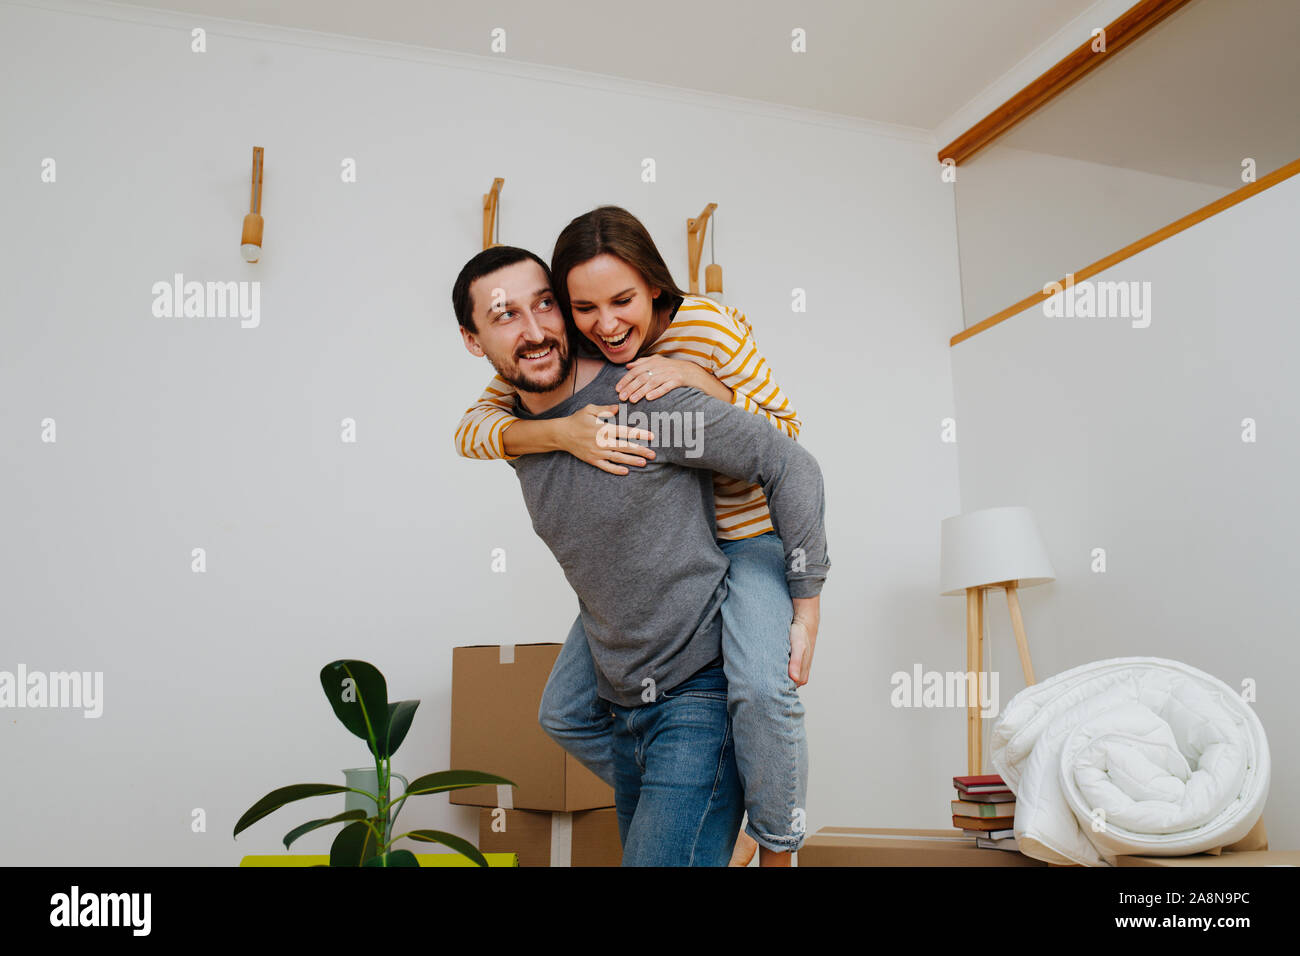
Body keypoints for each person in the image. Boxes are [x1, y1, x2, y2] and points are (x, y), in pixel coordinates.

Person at [454, 206, 819, 865]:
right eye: (508, 315)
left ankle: (774, 836)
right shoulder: (519, 409)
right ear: (474, 339)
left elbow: (785, 451)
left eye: (545, 307)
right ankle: (712, 795)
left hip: (750, 542)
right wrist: (555, 432)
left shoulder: (666, 376)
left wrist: (708, 388)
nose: (605, 322)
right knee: (563, 712)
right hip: (631, 701)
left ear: (652, 287)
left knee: (764, 688)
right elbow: (470, 432)